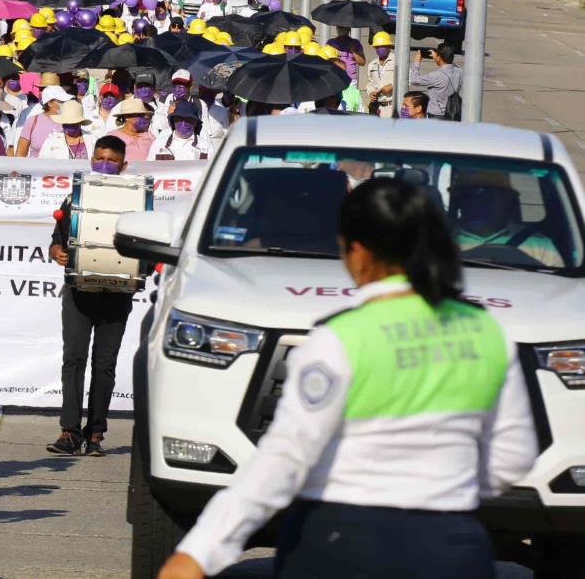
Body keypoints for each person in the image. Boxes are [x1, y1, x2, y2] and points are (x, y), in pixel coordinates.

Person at [158, 178, 538, 579]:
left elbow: (284, 459)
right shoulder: (486, 332)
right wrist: (445, 486)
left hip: (344, 544)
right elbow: (514, 456)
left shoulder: (339, 339)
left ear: (357, 251)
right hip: (453, 547)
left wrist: (199, 553)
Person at [47, 136, 137, 457]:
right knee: (74, 359)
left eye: (112, 160)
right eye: (99, 157)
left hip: (116, 293)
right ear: (91, 160)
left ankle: (96, 433)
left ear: (123, 165)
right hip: (78, 291)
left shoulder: (134, 201)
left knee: (105, 364)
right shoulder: (74, 198)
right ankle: (69, 431)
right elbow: (56, 241)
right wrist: (57, 251)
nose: (104, 164)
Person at [450, 170, 564, 267]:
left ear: (506, 200)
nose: (474, 203)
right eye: (466, 196)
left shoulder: (541, 247)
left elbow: (561, 286)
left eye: (485, 196)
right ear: (458, 201)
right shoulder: (437, 241)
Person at [15, 85, 72, 158]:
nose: (65, 103)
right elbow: (20, 154)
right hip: (36, 168)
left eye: (66, 101)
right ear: (49, 103)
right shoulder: (33, 121)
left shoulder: (71, 121)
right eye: (61, 101)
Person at [410, 43, 463, 119]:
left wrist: (416, 62)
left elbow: (414, 80)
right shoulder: (459, 71)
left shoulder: (436, 75)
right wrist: (438, 57)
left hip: (437, 115)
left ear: (439, 57)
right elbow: (449, 64)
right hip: (454, 112)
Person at [365, 31, 396, 117]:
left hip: (392, 106)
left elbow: (408, 80)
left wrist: (392, 86)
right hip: (377, 108)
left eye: (383, 46)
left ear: (389, 46)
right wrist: (371, 92)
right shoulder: (372, 64)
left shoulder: (397, 61)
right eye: (377, 47)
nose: (380, 48)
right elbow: (370, 83)